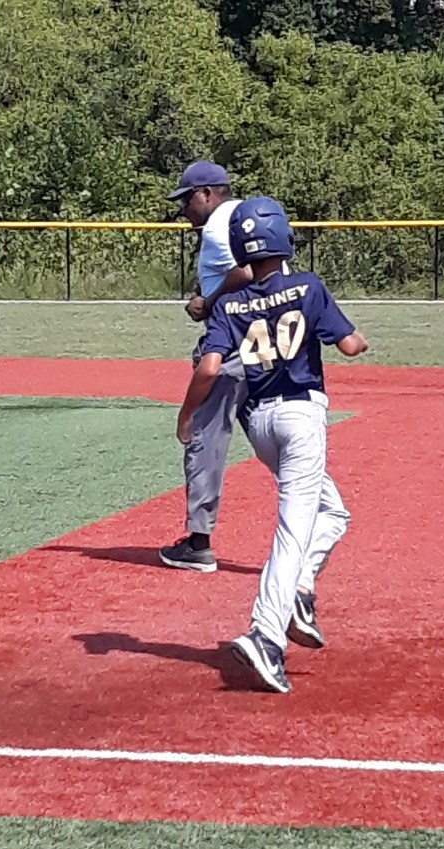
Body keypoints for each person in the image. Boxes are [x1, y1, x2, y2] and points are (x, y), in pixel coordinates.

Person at [175, 196, 367, 693]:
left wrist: (187, 414)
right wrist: (350, 335)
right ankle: (266, 633)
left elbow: (210, 367)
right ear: (284, 238)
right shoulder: (308, 286)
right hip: (302, 416)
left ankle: (299, 590)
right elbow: (351, 345)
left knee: (333, 513)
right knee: (293, 530)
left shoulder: (230, 302)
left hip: (259, 424)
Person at [158, 160, 257, 574]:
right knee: (278, 441)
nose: (183, 210)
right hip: (268, 345)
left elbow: (245, 273)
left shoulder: (217, 226)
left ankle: (198, 543)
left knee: (205, 438)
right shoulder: (250, 216)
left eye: (186, 200)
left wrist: (208, 302)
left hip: (231, 345)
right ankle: (320, 517)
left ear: (207, 194)